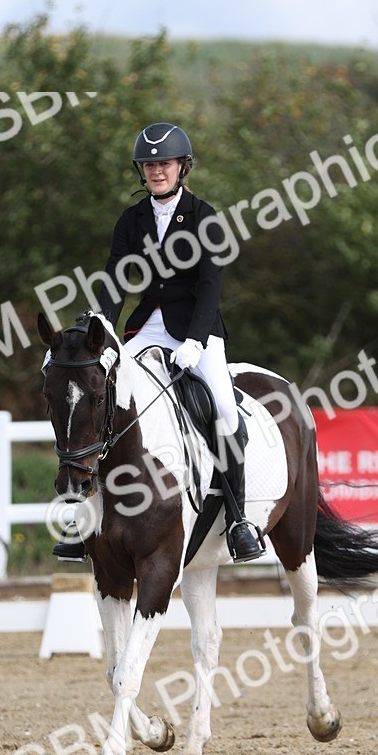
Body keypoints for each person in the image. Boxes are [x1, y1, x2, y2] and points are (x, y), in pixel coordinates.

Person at [53, 121, 265, 564]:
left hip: (197, 329)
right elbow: (116, 279)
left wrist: (196, 340)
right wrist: (100, 327)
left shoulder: (204, 217)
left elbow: (210, 285)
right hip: (147, 325)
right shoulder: (131, 220)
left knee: (224, 409)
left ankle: (238, 518)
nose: (156, 171)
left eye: (164, 164)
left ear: (182, 167)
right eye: (149, 165)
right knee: (105, 399)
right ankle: (85, 517)